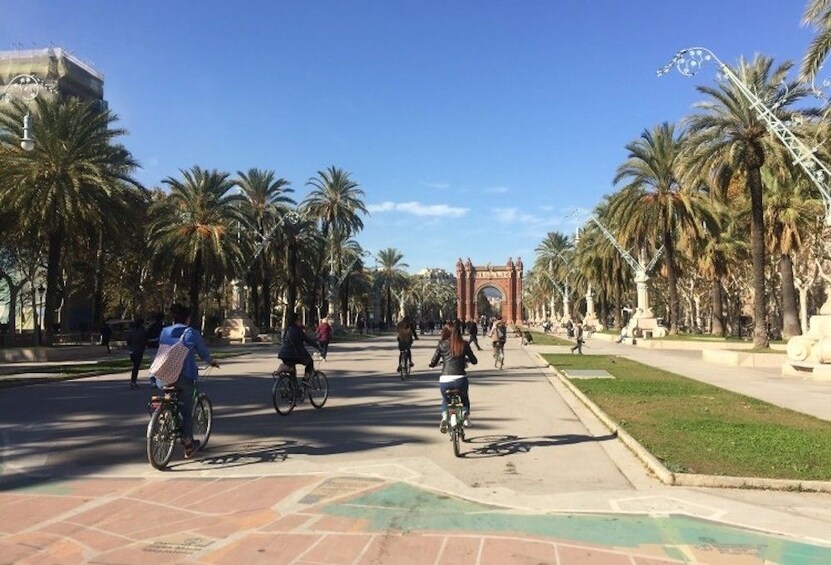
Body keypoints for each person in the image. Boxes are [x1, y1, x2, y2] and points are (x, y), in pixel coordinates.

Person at [158, 303, 219, 458]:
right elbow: (203, 352)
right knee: (186, 411)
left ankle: (164, 416)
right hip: (183, 376)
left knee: (169, 397)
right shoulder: (190, 333)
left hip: (163, 375)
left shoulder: (164, 332)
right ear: (188, 319)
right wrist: (211, 361)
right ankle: (188, 443)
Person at [429, 320, 477, 432]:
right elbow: (474, 360)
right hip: (460, 380)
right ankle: (465, 414)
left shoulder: (441, 344)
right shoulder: (464, 344)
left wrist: (432, 365)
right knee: (464, 397)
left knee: (446, 399)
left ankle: (445, 416)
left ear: (445, 331)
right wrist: (470, 360)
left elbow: (433, 361)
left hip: (445, 380)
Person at [278, 312, 318, 379]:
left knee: (292, 370)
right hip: (294, 353)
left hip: (283, 354)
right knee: (310, 362)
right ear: (296, 320)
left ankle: (292, 387)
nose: (300, 321)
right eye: (299, 320)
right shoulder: (297, 330)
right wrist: (318, 347)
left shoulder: (288, 329)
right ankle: (305, 381)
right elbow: (308, 340)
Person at [125, 317, 147, 389]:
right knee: (136, 366)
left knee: (135, 365)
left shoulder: (131, 331)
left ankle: (133, 381)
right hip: (139, 350)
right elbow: (143, 341)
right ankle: (133, 382)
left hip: (131, 350)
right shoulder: (142, 331)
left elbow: (128, 341)